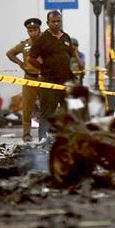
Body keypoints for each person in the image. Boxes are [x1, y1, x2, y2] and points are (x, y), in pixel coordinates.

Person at [29, 10, 80, 140]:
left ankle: (65, 139)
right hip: (49, 81)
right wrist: (43, 69)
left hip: (66, 81)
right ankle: (42, 139)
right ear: (48, 23)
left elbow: (70, 53)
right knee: (47, 111)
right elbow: (31, 58)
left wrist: (78, 62)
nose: (57, 24)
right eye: (53, 21)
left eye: (59, 21)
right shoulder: (42, 38)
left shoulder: (66, 37)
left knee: (67, 111)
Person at [6, 18, 43, 142]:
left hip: (44, 78)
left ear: (39, 30)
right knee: (27, 107)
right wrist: (20, 63)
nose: (33, 33)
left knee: (46, 107)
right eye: (30, 30)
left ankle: (44, 133)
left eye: (35, 30)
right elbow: (10, 53)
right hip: (29, 78)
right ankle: (26, 133)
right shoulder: (25, 44)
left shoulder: (46, 42)